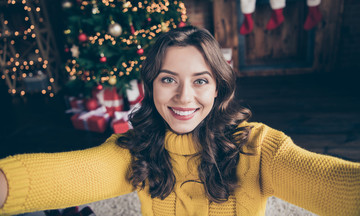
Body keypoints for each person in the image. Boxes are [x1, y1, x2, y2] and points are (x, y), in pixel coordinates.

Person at [0, 26, 359, 216]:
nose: (184, 97)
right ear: (151, 86)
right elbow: (70, 174)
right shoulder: (135, 148)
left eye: (200, 80)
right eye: (168, 79)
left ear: (218, 88)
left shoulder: (257, 147)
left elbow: (330, 183)